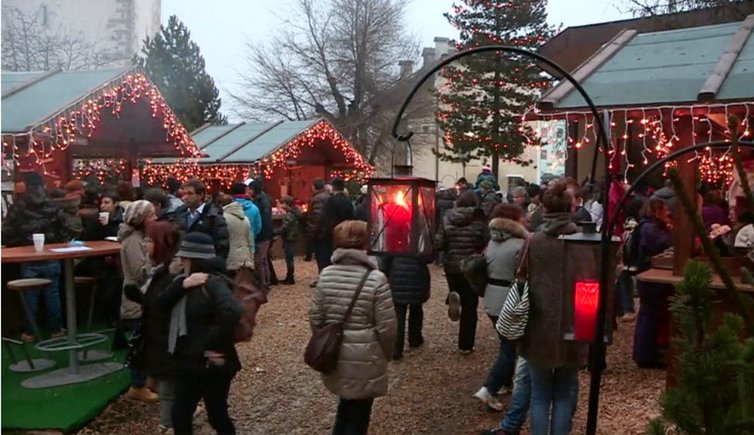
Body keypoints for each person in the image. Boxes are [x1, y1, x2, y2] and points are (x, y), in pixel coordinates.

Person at [309, 220, 397, 435]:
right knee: (360, 413)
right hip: (367, 353)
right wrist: (386, 353)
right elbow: (387, 326)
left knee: (345, 405)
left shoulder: (326, 274)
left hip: (336, 352)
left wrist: (326, 339)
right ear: (366, 242)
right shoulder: (376, 279)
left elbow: (316, 317)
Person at [158, 232, 243, 435]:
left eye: (184, 257)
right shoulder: (182, 281)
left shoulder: (213, 283)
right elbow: (160, 304)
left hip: (212, 363)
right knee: (180, 413)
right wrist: (181, 285)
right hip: (189, 362)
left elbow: (232, 312)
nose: (180, 261)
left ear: (194, 259)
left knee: (216, 414)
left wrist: (206, 342)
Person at [519, 181, 585, 435]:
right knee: (564, 394)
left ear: (544, 208)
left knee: (540, 395)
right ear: (571, 207)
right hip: (574, 323)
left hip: (538, 325)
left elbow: (521, 276)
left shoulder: (533, 242)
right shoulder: (582, 240)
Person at [2, 172, 77, 342]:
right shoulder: (52, 205)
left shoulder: (19, 206)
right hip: (51, 255)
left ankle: (30, 332)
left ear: (27, 186)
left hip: (27, 255)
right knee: (52, 293)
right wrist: (56, 243)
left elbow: (6, 232)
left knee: (30, 294)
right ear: (43, 186)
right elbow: (65, 230)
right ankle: (56, 330)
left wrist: (18, 246)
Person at [123, 221, 181, 434]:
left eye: (149, 240)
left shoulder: (172, 272)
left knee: (168, 383)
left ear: (162, 242)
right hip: (155, 332)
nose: (145, 243)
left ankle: (168, 424)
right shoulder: (154, 266)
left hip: (167, 335)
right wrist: (140, 298)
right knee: (168, 381)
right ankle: (179, 415)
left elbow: (164, 303)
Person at [473, 204, 528, 412]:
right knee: (509, 349)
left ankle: (505, 383)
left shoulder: (492, 242)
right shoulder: (519, 244)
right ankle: (489, 388)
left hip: (492, 298)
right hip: (509, 298)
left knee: (505, 343)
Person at [435, 190, 488, 353]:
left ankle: (453, 295)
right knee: (470, 305)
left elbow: (440, 243)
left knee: (457, 288)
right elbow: (485, 239)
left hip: (452, 265)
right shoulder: (479, 218)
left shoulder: (447, 217)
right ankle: (465, 345)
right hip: (471, 266)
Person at [118, 200, 159, 402]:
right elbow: (140, 271)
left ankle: (144, 381)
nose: (155, 218)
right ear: (141, 219)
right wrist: (157, 260)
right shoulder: (133, 240)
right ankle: (137, 385)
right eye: (151, 215)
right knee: (140, 344)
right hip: (136, 299)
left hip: (141, 296)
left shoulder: (139, 237)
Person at [633, 198, 673, 369]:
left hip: (646, 274)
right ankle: (645, 355)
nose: (667, 213)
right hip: (648, 276)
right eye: (664, 210)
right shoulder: (650, 228)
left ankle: (646, 353)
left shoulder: (648, 226)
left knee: (648, 313)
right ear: (656, 211)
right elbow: (661, 243)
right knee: (649, 314)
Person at [379, 254, 430, 360]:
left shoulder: (393, 237)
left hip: (397, 276)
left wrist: (386, 274)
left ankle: (396, 350)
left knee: (398, 315)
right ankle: (415, 339)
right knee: (416, 308)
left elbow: (384, 261)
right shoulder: (420, 237)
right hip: (417, 275)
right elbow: (429, 257)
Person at [174, 179, 229, 260]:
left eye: (190, 194)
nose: (185, 197)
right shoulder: (180, 214)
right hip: (183, 262)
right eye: (184, 194)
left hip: (205, 264)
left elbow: (222, 244)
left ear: (201, 195)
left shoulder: (213, 216)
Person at [316, 178, 355, 271]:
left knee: (329, 257)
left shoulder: (331, 201)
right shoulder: (348, 201)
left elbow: (327, 218)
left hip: (333, 234)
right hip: (346, 232)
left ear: (333, 187)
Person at [217, 193, 254, 278]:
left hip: (230, 258)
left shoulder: (222, 218)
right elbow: (250, 240)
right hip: (245, 258)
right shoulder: (245, 218)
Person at [248, 179, 274, 286]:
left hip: (262, 234)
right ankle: (267, 281)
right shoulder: (265, 200)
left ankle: (263, 283)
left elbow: (262, 220)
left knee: (260, 261)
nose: (248, 191)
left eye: (250, 189)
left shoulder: (259, 202)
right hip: (267, 234)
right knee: (263, 260)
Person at [274, 196, 301, 285]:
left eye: (282, 203)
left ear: (286, 204)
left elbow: (284, 228)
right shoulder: (294, 213)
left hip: (289, 237)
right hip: (292, 236)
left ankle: (290, 278)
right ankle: (290, 277)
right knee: (290, 258)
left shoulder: (289, 215)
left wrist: (274, 232)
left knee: (289, 259)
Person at [307, 178, 331, 272]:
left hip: (321, 233)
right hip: (327, 231)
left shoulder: (317, 199)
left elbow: (317, 217)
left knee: (321, 257)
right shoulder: (328, 196)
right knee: (326, 257)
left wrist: (312, 232)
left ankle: (323, 277)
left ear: (314, 187)